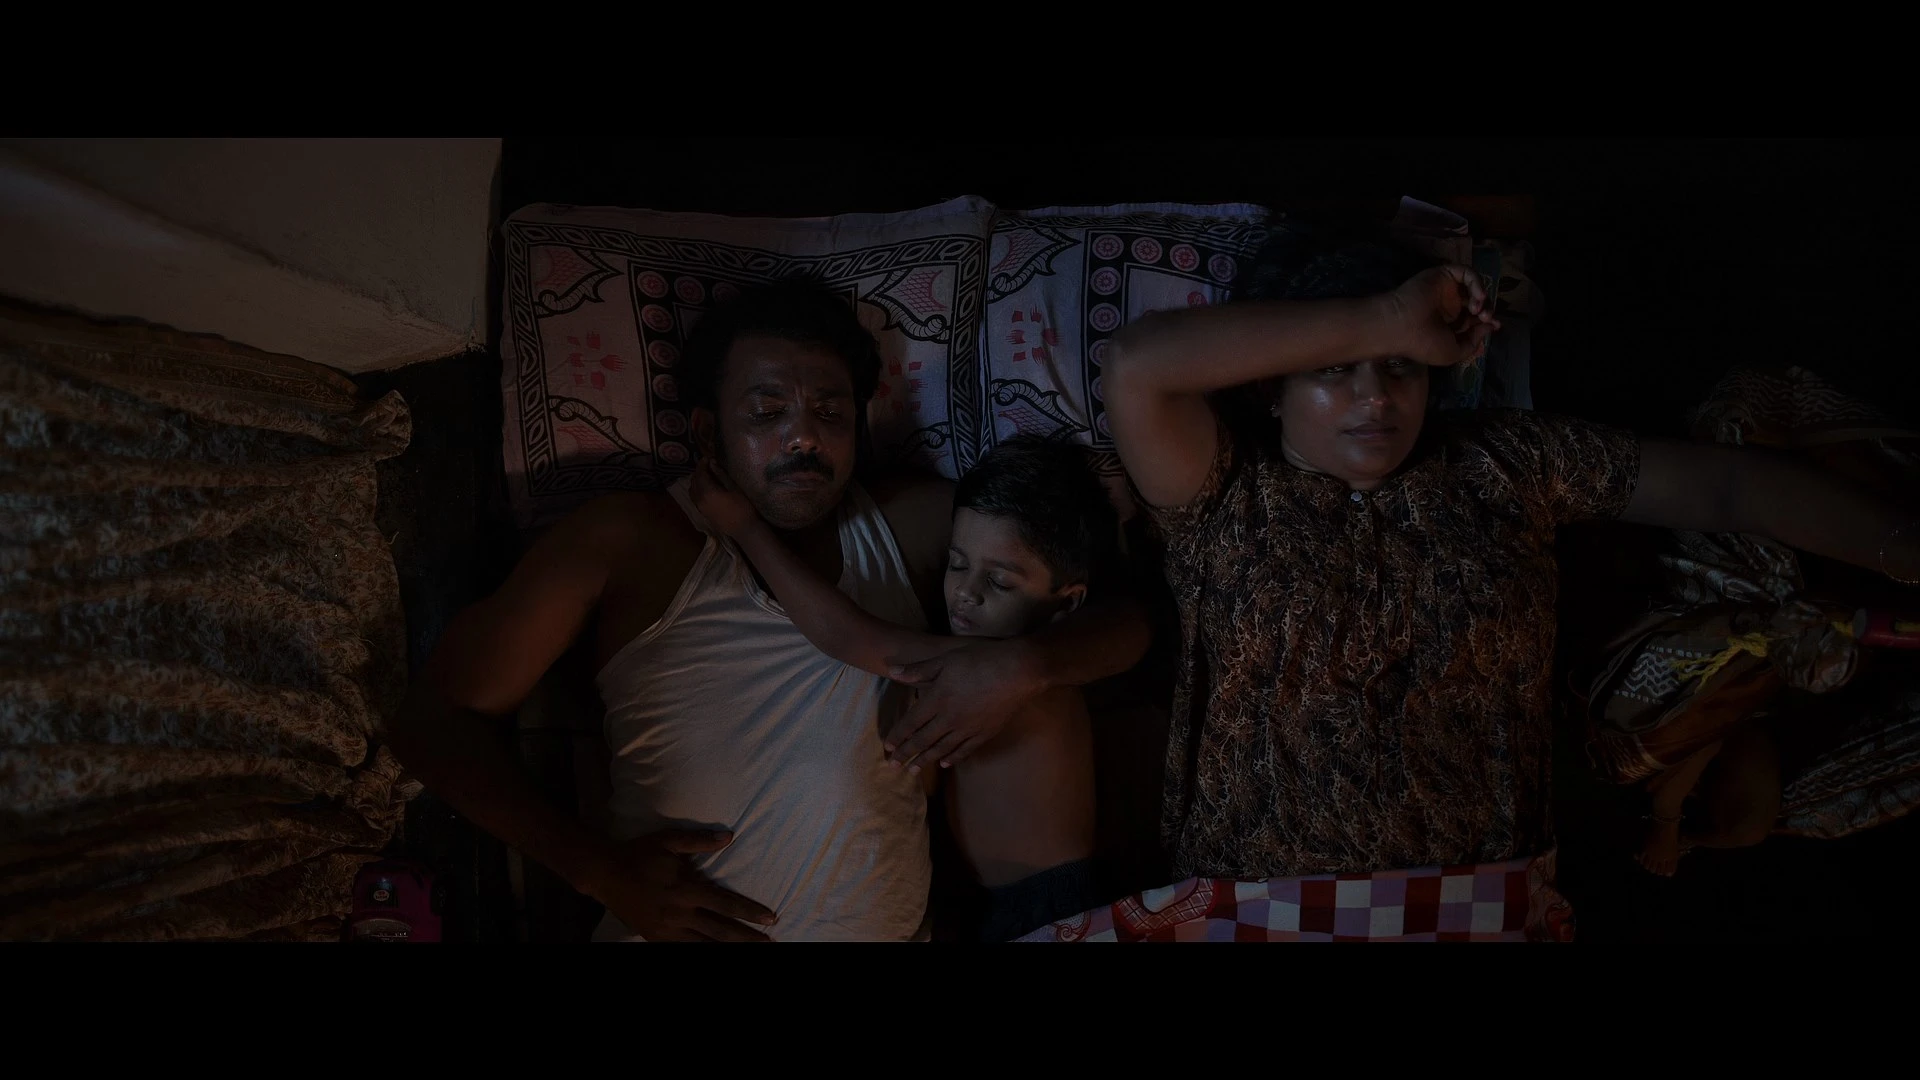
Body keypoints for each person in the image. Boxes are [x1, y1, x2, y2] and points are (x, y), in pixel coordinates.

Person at [1101, 228, 1920, 886]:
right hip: (1256, 906)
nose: (1376, 396)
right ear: (1270, 389)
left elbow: (1728, 489)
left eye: (1400, 366)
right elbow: (1137, 366)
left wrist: (1903, 550)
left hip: (1479, 897)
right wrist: (1390, 318)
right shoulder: (1221, 492)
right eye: (1333, 371)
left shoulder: (1505, 466)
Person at [388, 278, 1147, 941]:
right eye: (766, 411)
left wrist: (1023, 667)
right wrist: (597, 870)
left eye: (830, 412)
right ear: (707, 432)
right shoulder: (629, 541)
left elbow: (1130, 622)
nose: (803, 436)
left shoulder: (915, 527)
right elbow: (431, 721)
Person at [692, 435, 1120, 940]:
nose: (966, 592)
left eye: (1000, 583)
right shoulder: (979, 662)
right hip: (991, 900)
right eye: (957, 563)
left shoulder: (1011, 674)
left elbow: (849, 637)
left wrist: (746, 529)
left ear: (1066, 603)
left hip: (1048, 906)